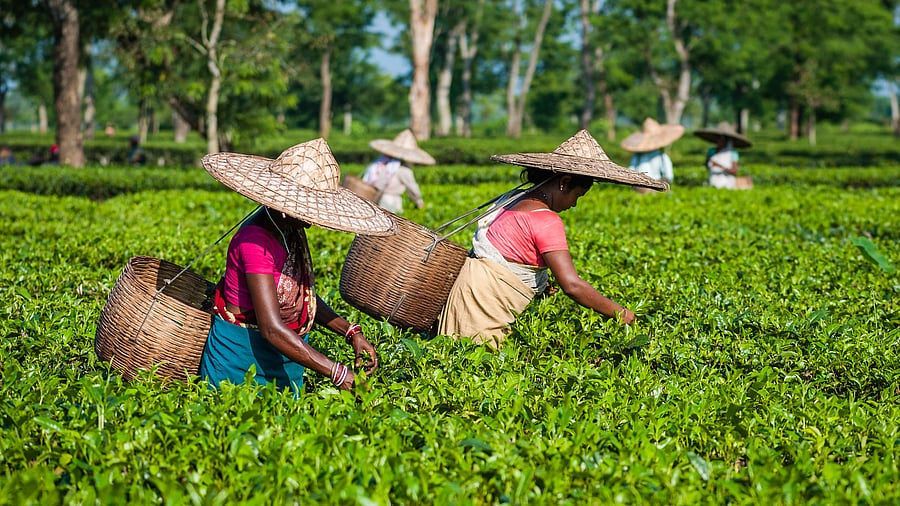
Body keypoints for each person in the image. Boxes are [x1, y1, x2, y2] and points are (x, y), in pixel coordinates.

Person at [199, 138, 398, 396]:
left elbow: (301, 296)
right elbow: (271, 328)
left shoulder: (287, 230)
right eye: (306, 211)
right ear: (283, 207)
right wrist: (337, 373)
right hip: (240, 367)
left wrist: (351, 331)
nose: (312, 221)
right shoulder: (255, 242)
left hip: (284, 361)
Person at [435, 130, 668, 348]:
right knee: (478, 364)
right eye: (577, 195)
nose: (575, 203)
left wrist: (537, 281)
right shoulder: (547, 220)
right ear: (564, 183)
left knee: (455, 356)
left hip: (463, 297)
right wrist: (623, 314)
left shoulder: (512, 199)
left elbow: (509, 255)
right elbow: (572, 286)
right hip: (485, 309)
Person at [362, 129, 435, 213]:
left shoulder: (382, 163)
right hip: (391, 201)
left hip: (376, 198)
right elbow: (412, 188)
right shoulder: (403, 170)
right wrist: (419, 203)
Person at [620, 117, 684, 194]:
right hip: (646, 189)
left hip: (650, 189)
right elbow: (669, 176)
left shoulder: (660, 156)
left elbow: (630, 172)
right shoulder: (661, 156)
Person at [693, 122, 753, 189]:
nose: (719, 141)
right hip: (713, 182)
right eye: (718, 138)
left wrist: (719, 165)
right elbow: (707, 165)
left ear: (727, 141)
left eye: (722, 139)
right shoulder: (711, 151)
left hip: (728, 184)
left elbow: (734, 171)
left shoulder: (733, 154)